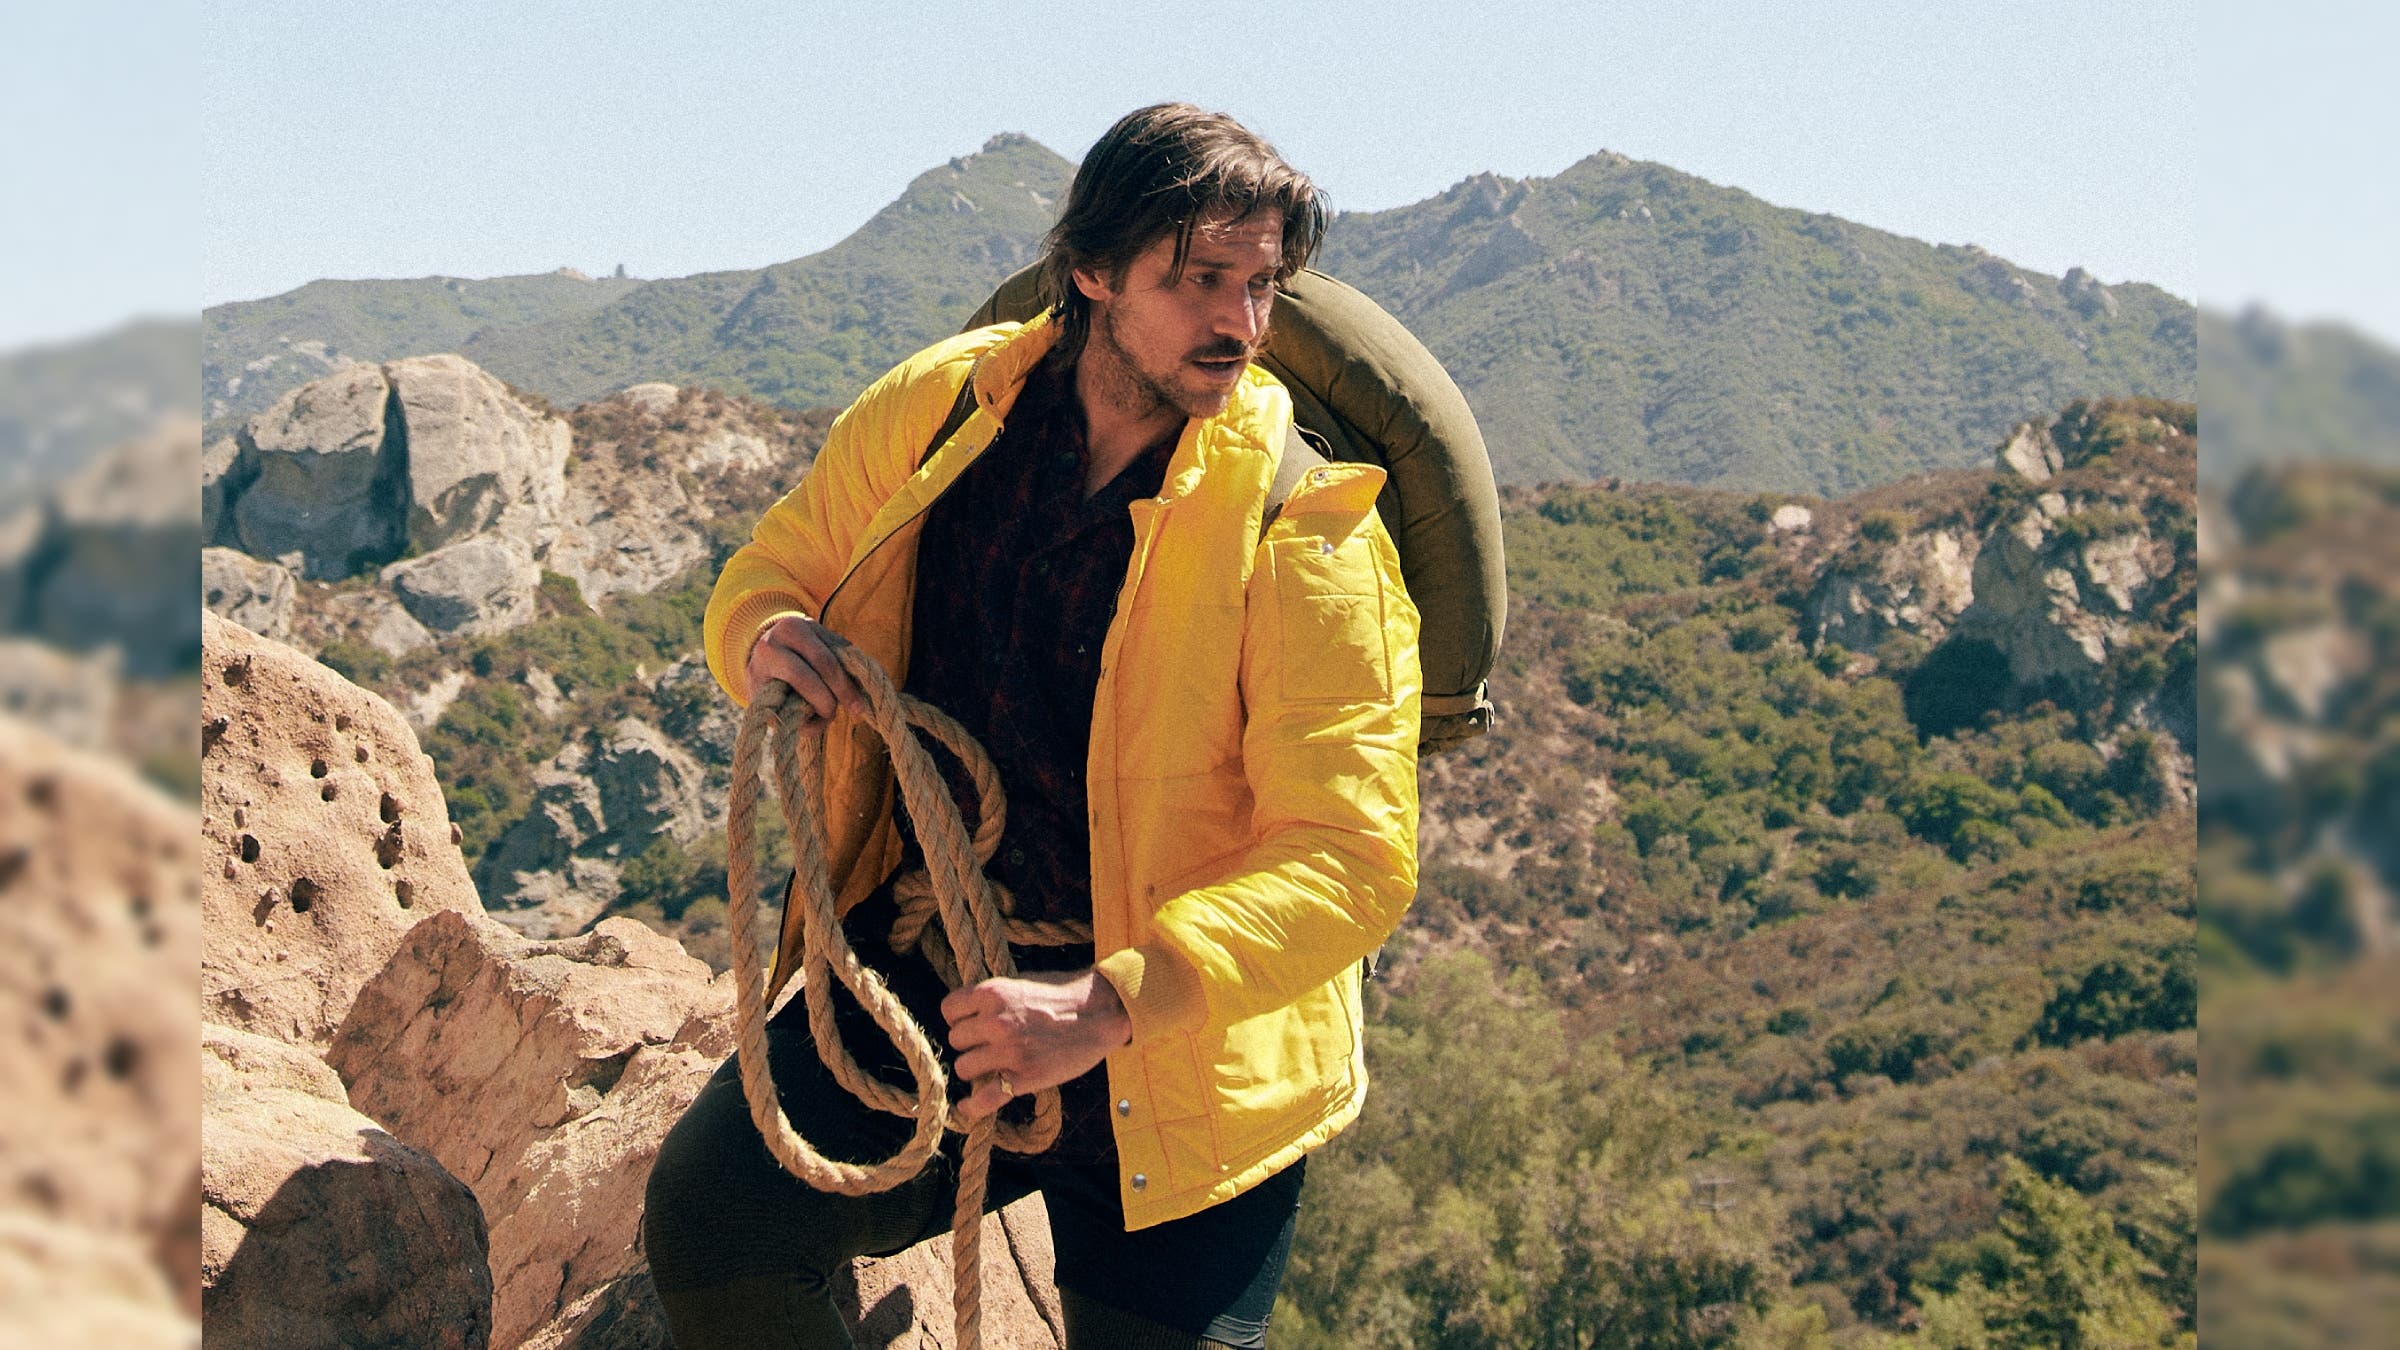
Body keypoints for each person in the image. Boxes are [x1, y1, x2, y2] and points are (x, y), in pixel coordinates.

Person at [642, 102, 1422, 1349]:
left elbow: (1351, 854)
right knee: (711, 1223)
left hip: (1181, 1055)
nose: (1238, 322)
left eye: (1261, 285)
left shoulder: (1305, 528)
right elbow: (777, 565)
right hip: (940, 980)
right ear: (1092, 270)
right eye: (1201, 280)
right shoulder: (943, 413)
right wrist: (765, 637)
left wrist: (1105, 1007)